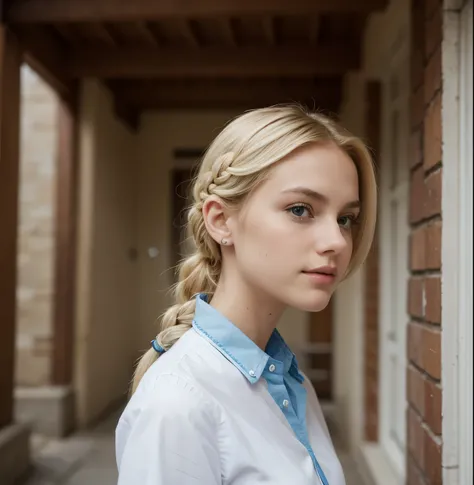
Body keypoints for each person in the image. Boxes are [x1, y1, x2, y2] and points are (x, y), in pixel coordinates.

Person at [115, 105, 377, 485]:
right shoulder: (177, 404)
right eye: (301, 209)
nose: (337, 241)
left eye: (345, 218)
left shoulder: (293, 383)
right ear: (220, 220)